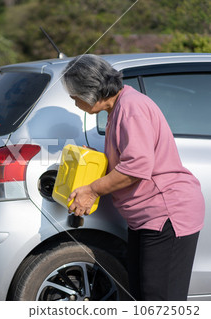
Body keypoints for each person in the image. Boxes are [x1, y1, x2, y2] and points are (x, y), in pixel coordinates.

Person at [61, 54, 205, 301]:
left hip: (166, 214)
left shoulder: (131, 108)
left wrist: (93, 190)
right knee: (141, 295)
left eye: (75, 97)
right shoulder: (118, 108)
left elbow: (136, 167)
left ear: (91, 91)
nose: (75, 104)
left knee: (159, 299)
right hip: (146, 218)